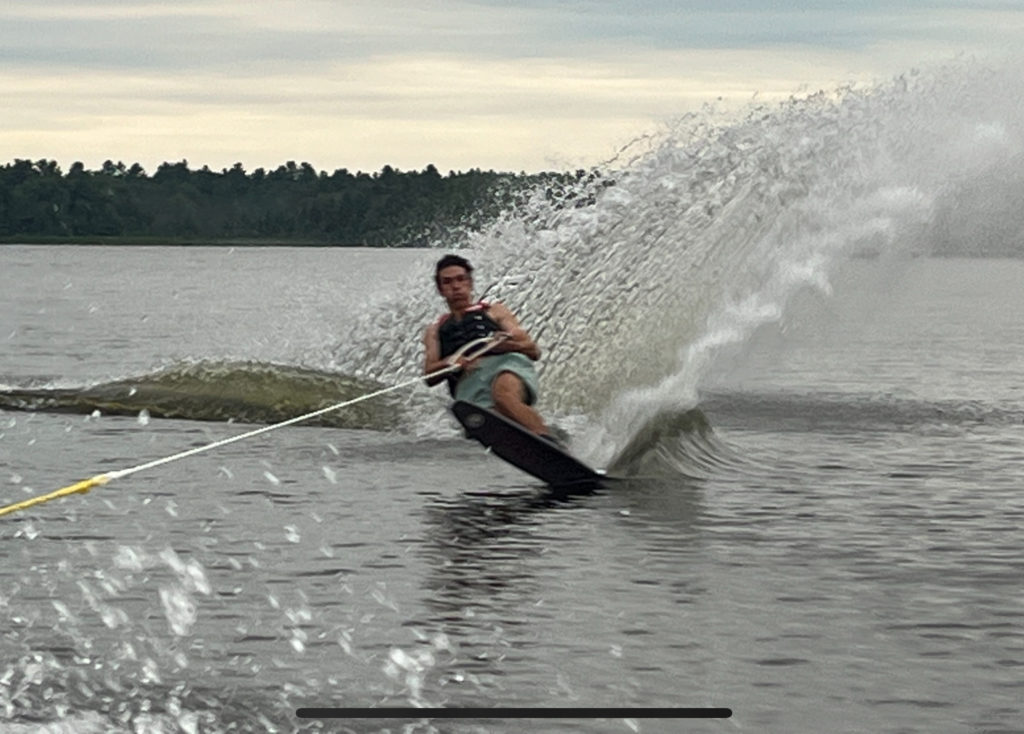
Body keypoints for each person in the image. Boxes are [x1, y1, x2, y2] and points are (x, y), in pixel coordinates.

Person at [423, 253, 557, 443]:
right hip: (469, 383)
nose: (456, 286)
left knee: (502, 396)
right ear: (440, 289)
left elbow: (532, 350)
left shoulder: (494, 311)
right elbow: (429, 375)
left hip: (507, 366)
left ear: (470, 283)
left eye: (461, 279)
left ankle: (548, 442)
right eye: (448, 282)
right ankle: (532, 442)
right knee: (494, 418)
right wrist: (450, 363)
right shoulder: (435, 330)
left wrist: (504, 345)